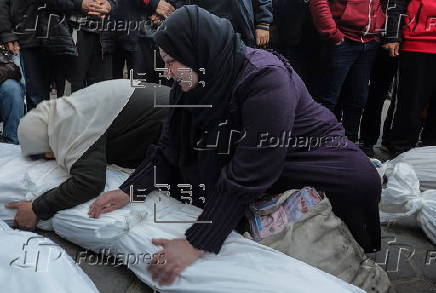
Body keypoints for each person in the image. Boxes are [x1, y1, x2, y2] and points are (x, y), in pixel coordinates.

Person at [89, 6, 381, 285]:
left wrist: (196, 242)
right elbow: (170, 145)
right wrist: (130, 190)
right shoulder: (191, 80)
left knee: (354, 191)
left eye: (169, 61)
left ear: (198, 51)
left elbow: (251, 168)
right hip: (252, 152)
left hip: (306, 152)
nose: (166, 73)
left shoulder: (265, 78)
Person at [6, 80, 170, 230]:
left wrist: (37, 208)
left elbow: (89, 182)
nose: (51, 159)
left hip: (181, 127)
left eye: (46, 155)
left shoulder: (70, 124)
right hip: (171, 116)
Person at [309, 0, 386, 143]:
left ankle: (348, 146)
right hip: (342, 40)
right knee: (327, 98)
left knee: (357, 99)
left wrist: (378, 29)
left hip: (368, 43)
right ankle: (318, 144)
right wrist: (331, 32)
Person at [384, 0, 436, 156]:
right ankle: (399, 149)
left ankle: (430, 151)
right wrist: (393, 37)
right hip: (417, 45)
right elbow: (396, 5)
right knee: (410, 101)